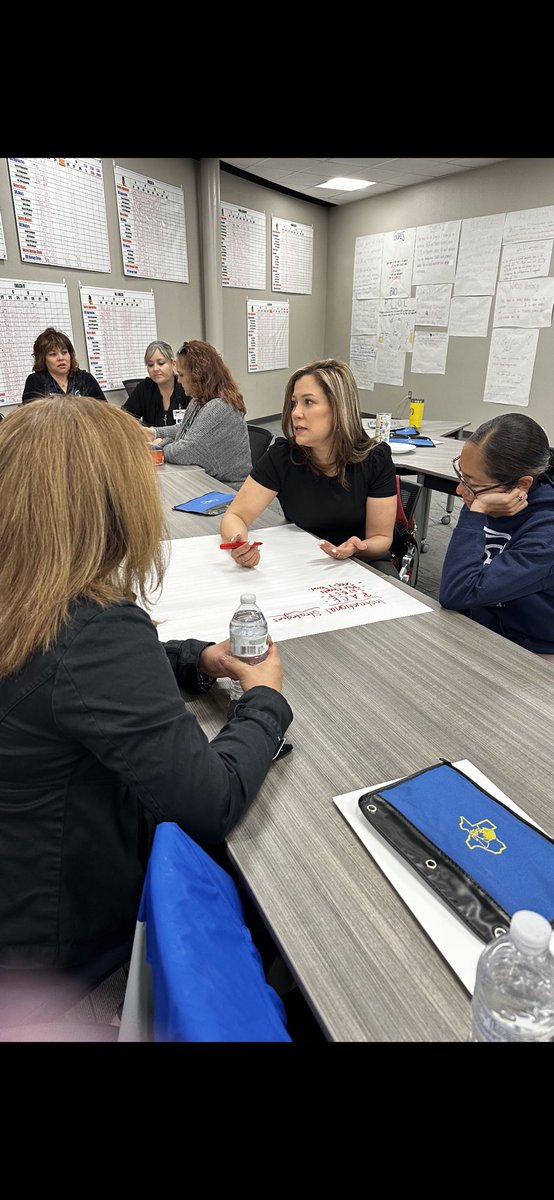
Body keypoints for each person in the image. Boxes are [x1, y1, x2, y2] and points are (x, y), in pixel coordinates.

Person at [0, 396, 292, 1023]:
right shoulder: (93, 628)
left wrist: (196, 659)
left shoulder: (20, 592)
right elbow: (208, 800)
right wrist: (266, 700)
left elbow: (62, 677)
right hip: (49, 939)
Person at [219, 358, 398, 573]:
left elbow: (381, 538)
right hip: (302, 562)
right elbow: (236, 515)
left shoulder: (375, 459)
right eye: (294, 403)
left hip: (362, 563)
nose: (295, 413)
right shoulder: (283, 456)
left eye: (308, 402)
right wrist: (238, 544)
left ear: (338, 408)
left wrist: (357, 547)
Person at [439, 412, 554, 659]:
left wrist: (475, 511)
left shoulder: (546, 537)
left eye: (471, 483)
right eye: (462, 474)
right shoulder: (495, 499)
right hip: (482, 629)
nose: (460, 490)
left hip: (529, 651)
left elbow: (457, 591)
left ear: (522, 485)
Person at [144, 340, 252, 490]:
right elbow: (184, 429)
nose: (179, 380)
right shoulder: (199, 400)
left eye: (181, 374)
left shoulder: (220, 406)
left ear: (198, 376)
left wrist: (158, 446)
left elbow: (185, 451)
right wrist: (155, 432)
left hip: (228, 490)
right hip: (206, 480)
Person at [21, 327, 106, 403]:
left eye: (64, 352)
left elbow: (104, 410)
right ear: (43, 359)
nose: (61, 358)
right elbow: (30, 417)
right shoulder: (35, 381)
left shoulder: (85, 379)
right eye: (53, 354)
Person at [122, 339, 190, 427]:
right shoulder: (144, 388)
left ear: (173, 364)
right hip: (151, 440)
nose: (155, 369)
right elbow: (123, 419)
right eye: (150, 365)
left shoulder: (185, 386)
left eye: (161, 363)